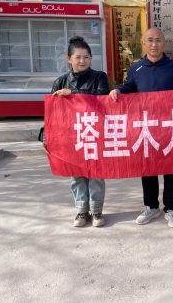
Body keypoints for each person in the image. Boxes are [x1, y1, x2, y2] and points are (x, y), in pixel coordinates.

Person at [110, 28, 173, 228]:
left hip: (169, 126)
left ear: (165, 44)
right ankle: (151, 206)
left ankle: (171, 208)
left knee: (171, 168)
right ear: (143, 43)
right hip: (145, 126)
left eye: (158, 40)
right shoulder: (136, 68)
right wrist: (118, 91)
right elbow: (129, 89)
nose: (154, 44)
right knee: (148, 168)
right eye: (150, 40)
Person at [48, 36, 110, 227]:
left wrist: (73, 94)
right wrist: (46, 137)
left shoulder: (99, 77)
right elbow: (52, 113)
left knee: (96, 173)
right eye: (78, 57)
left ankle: (97, 211)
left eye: (86, 57)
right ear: (69, 59)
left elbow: (102, 99)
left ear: (91, 58)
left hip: (95, 131)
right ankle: (82, 211)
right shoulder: (60, 82)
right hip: (71, 135)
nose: (82, 60)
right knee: (77, 173)